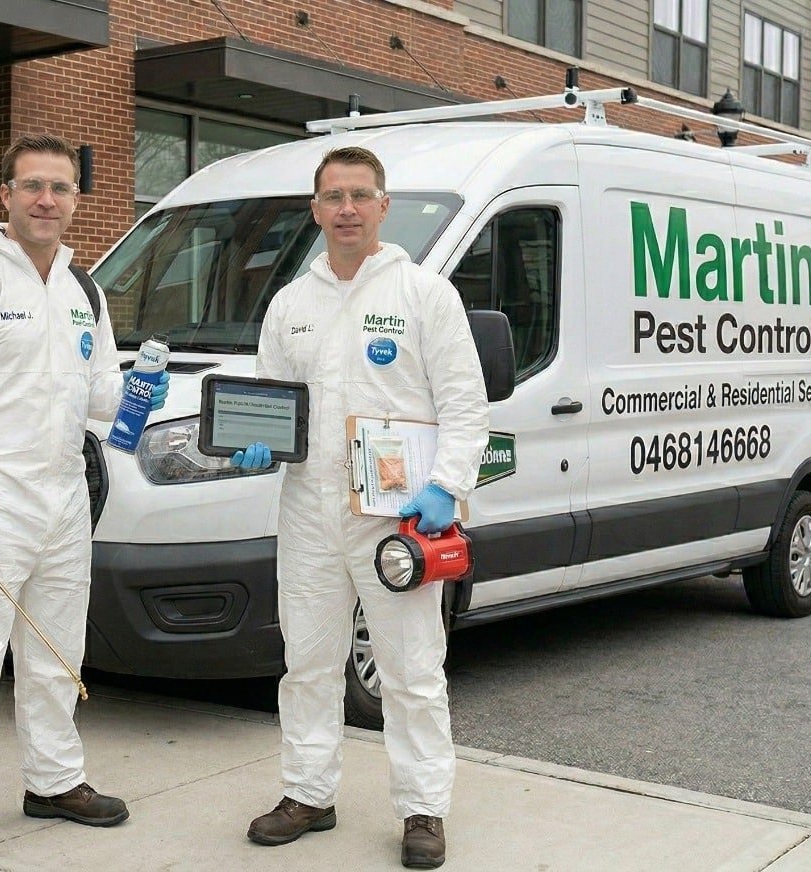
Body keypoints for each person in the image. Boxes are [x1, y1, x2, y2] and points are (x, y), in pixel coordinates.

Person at [0, 133, 168, 868]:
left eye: (60, 188)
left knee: (58, 653)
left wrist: (140, 392)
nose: (46, 200)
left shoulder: (83, 291)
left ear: (77, 201)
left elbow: (100, 395)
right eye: (32, 186)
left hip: (62, 497)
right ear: (7, 196)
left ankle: (53, 781)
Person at [234, 146, 489, 870]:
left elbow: (466, 406)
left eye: (360, 195)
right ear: (314, 210)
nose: (346, 208)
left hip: (397, 520)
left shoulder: (423, 294)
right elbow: (273, 402)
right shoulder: (292, 303)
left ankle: (422, 809)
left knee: (411, 670)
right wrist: (260, 445)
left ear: (383, 206)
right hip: (310, 513)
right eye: (333, 196)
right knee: (307, 662)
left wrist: (445, 485)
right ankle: (309, 794)